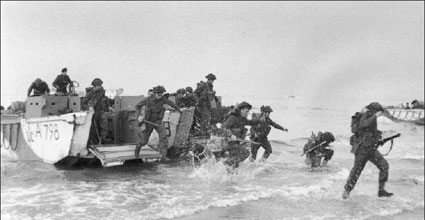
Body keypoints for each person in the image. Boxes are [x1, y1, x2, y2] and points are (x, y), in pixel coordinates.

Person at [343, 102, 393, 199]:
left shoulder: (371, 116)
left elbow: (370, 133)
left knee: (384, 166)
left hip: (371, 149)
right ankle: (346, 192)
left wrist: (382, 138)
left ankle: (381, 191)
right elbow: (362, 125)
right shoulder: (366, 115)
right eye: (379, 112)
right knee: (356, 171)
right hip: (361, 150)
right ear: (374, 111)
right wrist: (374, 116)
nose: (380, 114)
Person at [134, 85, 181, 161]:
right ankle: (138, 148)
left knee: (163, 137)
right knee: (144, 141)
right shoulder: (148, 99)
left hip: (158, 121)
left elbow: (170, 103)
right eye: (158, 95)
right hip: (149, 121)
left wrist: (178, 109)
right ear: (155, 93)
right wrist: (138, 116)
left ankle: (164, 156)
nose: (160, 96)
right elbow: (137, 106)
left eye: (161, 94)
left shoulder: (162, 99)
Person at [222, 101, 259, 168]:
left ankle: (230, 168)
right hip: (228, 142)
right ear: (241, 110)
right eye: (246, 111)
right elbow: (224, 127)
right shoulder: (233, 117)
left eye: (248, 112)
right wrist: (231, 135)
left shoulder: (243, 119)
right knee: (245, 153)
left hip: (236, 143)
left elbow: (251, 122)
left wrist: (260, 121)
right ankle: (228, 163)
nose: (247, 113)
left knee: (236, 162)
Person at [82, 78, 111, 144]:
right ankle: (93, 141)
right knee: (93, 127)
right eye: (98, 85)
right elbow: (83, 102)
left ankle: (102, 138)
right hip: (93, 112)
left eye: (100, 85)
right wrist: (89, 108)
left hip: (100, 110)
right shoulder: (89, 94)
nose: (100, 87)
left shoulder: (101, 92)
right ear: (94, 86)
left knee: (104, 124)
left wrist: (109, 106)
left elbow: (105, 99)